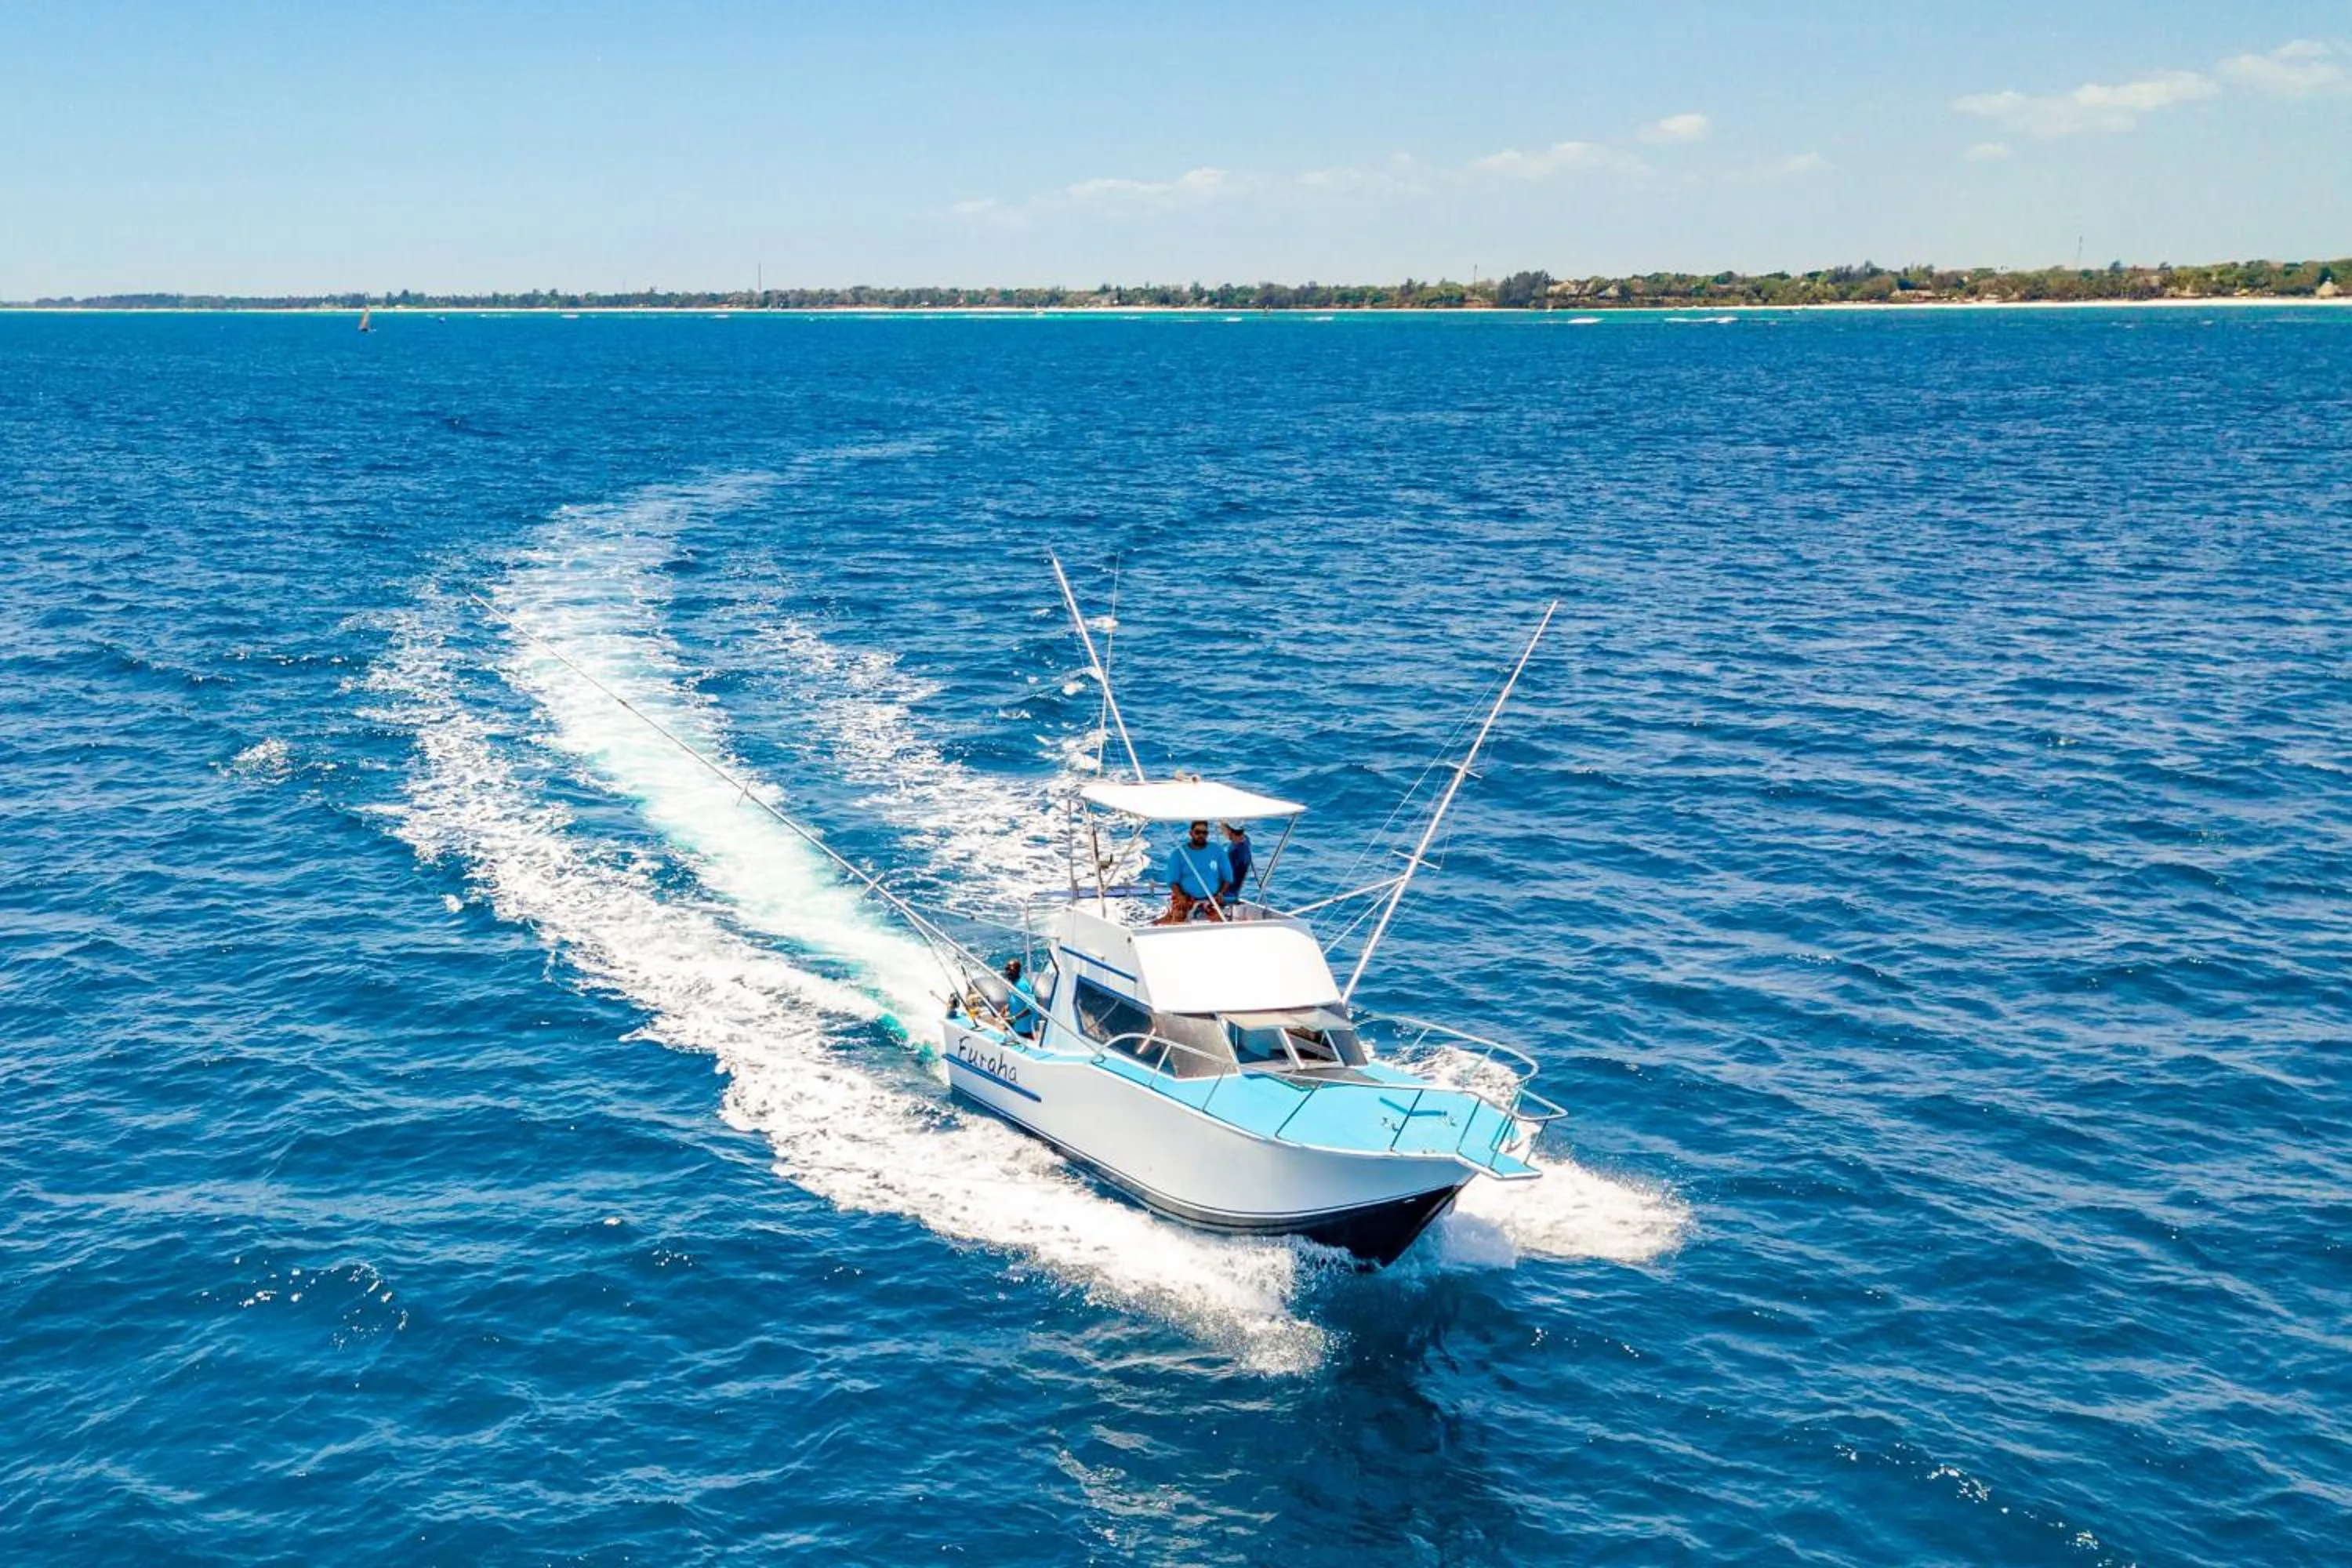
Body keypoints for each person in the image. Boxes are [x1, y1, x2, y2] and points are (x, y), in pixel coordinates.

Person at [1157, 819, 1228, 924]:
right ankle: (1167, 924)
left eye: (1204, 833)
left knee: (1219, 919)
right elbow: (1172, 881)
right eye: (1198, 832)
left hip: (1210, 897)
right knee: (1180, 915)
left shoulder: (1216, 851)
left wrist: (1221, 893)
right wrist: (1180, 896)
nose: (1201, 835)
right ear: (1191, 833)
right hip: (1185, 896)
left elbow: (1227, 877)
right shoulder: (1178, 854)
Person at [1002, 957, 1040, 1039]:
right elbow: (1018, 1000)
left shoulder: (1022, 985)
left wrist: (1013, 1019)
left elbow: (1032, 1007)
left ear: (1017, 970)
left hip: (1024, 1032)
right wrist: (1008, 1007)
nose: (1008, 972)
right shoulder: (1014, 984)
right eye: (1006, 969)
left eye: (1010, 969)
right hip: (1016, 1029)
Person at [1218, 822, 1254, 908]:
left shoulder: (1234, 851)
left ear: (1230, 832)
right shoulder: (1246, 841)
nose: (1222, 832)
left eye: (1223, 830)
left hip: (1226, 894)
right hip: (1235, 891)